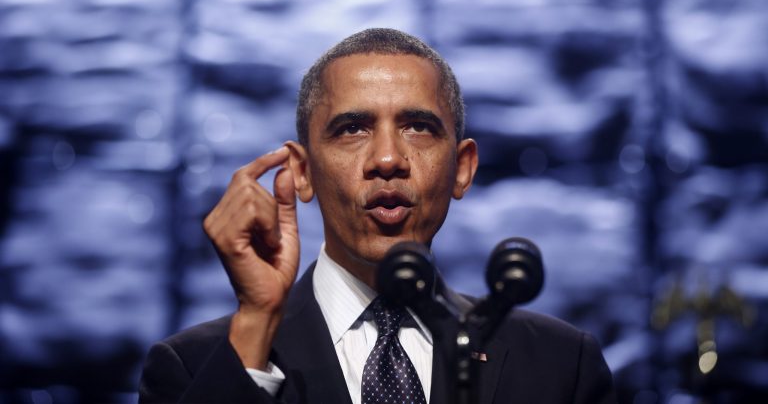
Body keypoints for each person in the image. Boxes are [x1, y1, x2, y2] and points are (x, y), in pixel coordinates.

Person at [139, 28, 616, 404]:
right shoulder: (191, 367)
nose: (387, 159)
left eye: (418, 127)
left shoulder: (559, 364)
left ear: (462, 169)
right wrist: (257, 322)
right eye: (352, 129)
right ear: (301, 173)